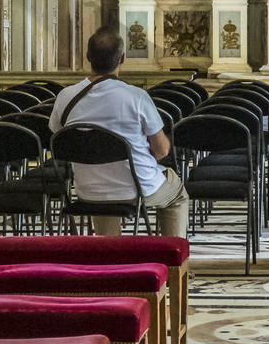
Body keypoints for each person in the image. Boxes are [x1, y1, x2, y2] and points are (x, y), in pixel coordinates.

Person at [50, 26, 190, 238]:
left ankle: (110, 253)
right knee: (177, 196)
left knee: (103, 189)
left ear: (88, 57)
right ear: (122, 58)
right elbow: (162, 150)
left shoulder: (65, 96)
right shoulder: (136, 97)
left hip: (88, 189)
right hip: (136, 188)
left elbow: (58, 139)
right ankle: (173, 256)